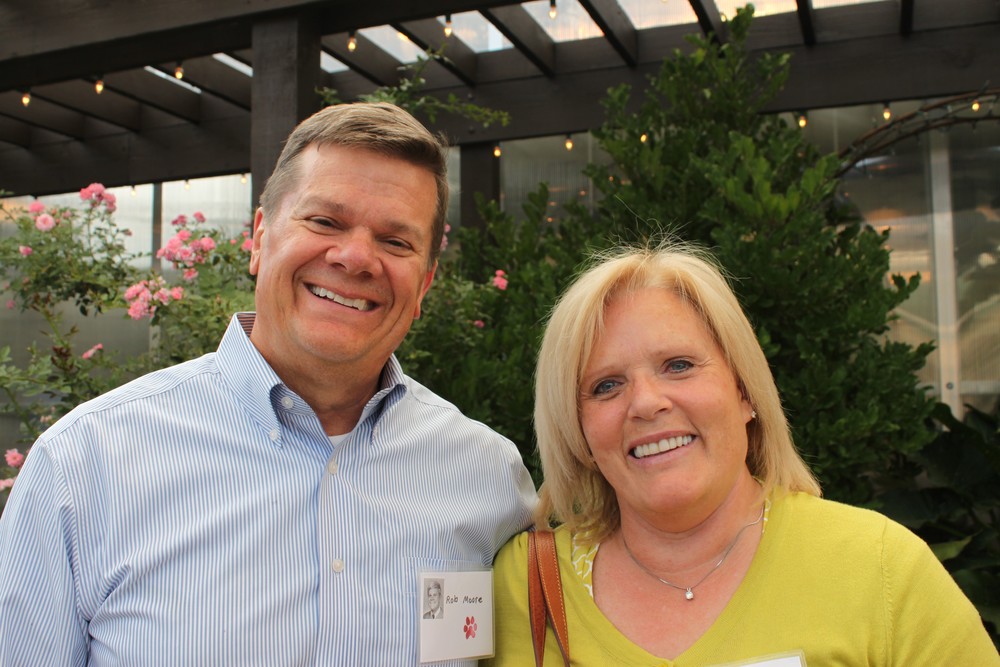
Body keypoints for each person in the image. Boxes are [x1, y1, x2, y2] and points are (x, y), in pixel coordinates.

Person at [0, 102, 536, 666]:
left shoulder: (488, 479)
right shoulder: (84, 466)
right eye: (324, 221)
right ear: (259, 238)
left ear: (424, 284)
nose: (356, 257)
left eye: (396, 242)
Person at [487, 243, 998, 666]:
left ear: (745, 391)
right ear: (577, 432)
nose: (645, 403)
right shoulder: (524, 585)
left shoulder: (882, 567)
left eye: (679, 365)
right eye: (606, 386)